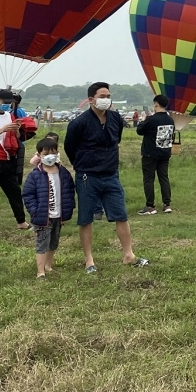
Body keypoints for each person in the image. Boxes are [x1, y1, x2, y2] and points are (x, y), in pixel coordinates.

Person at [64, 82, 148, 272]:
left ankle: (128, 255)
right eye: (102, 96)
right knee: (86, 218)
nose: (106, 100)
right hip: (87, 176)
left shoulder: (116, 118)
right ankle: (89, 260)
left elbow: (115, 140)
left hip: (111, 174)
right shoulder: (79, 123)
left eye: (108, 96)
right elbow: (70, 147)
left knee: (121, 215)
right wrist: (82, 164)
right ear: (91, 100)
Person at [0, 89, 36, 233]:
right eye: (5, 102)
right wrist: (2, 130)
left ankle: (21, 221)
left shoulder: (10, 116)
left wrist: (16, 129)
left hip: (8, 159)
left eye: (10, 103)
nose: (7, 105)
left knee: (14, 192)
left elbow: (16, 137)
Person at [22, 137, 77, 279]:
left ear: (57, 153)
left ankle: (48, 265)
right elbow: (28, 195)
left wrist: (68, 209)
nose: (49, 156)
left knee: (54, 242)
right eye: (45, 154)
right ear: (39, 155)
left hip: (58, 216)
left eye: (53, 152)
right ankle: (40, 271)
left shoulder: (63, 173)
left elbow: (70, 191)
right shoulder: (35, 175)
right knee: (42, 242)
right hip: (42, 217)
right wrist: (34, 211)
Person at [135, 94, 174, 215]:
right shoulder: (170, 119)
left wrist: (143, 119)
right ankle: (167, 204)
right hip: (165, 153)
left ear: (156, 104)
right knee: (164, 178)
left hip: (150, 154)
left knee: (148, 179)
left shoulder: (151, 119)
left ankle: (150, 206)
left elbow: (139, 131)